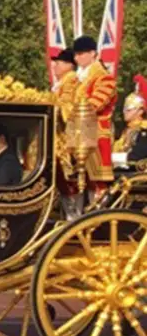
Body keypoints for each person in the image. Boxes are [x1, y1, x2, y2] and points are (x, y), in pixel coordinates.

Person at [72, 35, 118, 201]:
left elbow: (94, 105)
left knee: (98, 184)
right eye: (76, 54)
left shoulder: (104, 77)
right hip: (80, 134)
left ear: (92, 53)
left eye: (81, 53)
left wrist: (71, 110)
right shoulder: (80, 79)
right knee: (81, 182)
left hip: (97, 135)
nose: (77, 58)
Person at [52, 48, 83, 219]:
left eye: (58, 63)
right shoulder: (63, 82)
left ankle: (73, 220)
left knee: (68, 184)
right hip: (59, 139)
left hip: (65, 143)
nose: (55, 66)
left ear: (69, 65)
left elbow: (68, 110)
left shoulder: (70, 81)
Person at [113, 75, 147, 167]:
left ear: (140, 111)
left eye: (129, 109)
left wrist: (111, 158)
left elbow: (137, 157)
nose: (124, 112)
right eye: (124, 109)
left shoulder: (144, 130)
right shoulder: (127, 129)